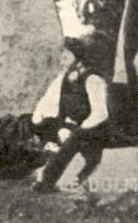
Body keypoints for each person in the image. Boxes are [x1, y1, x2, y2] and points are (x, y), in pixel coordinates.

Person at [31, 38, 110, 192]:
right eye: (63, 52)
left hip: (94, 130)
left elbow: (100, 113)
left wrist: (78, 130)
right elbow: (54, 105)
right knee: (41, 125)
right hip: (73, 127)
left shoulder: (93, 79)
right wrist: (58, 127)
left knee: (75, 139)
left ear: (79, 56)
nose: (63, 55)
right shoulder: (65, 78)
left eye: (68, 52)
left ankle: (47, 181)